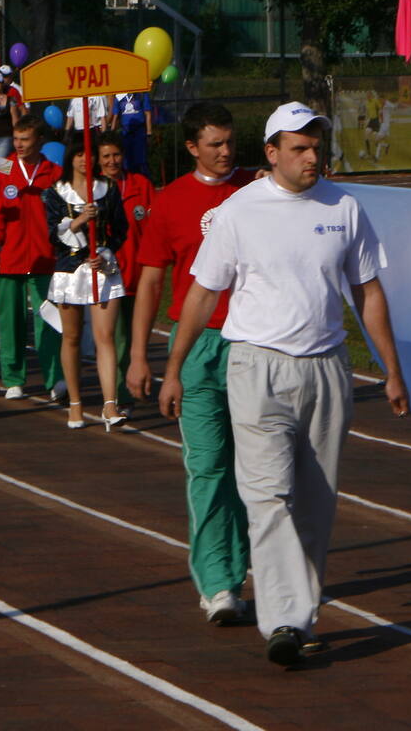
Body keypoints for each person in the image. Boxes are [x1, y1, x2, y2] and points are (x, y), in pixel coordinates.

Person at [159, 101, 408, 667]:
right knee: (267, 496)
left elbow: (368, 293)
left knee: (315, 504)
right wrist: (173, 368)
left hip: (325, 368)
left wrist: (391, 369)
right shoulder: (238, 211)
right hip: (255, 366)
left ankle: (300, 612)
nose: (311, 156)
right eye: (299, 147)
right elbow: (201, 294)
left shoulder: (344, 207)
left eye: (316, 145)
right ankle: (284, 623)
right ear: (272, 153)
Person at [128, 102, 254, 626]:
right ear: (192, 147)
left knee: (255, 471)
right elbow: (152, 281)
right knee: (208, 468)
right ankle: (218, 583)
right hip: (196, 345)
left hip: (253, 343)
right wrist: (141, 356)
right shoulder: (171, 201)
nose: (226, 153)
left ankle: (246, 565)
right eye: (215, 144)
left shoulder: (258, 190)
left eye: (230, 143)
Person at [43, 137, 128, 429]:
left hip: (103, 269)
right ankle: (75, 405)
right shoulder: (55, 192)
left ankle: (110, 404)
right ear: (70, 158)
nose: (84, 160)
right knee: (72, 337)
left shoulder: (108, 189)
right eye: (78, 154)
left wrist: (105, 254)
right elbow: (53, 235)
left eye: (88, 154)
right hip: (69, 271)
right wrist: (79, 221)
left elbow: (120, 228)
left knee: (105, 337)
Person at [0, 114, 61, 400]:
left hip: (44, 257)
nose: (19, 145)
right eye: (16, 139)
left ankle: (55, 379)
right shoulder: (2, 170)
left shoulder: (54, 172)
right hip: (11, 256)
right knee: (10, 322)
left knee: (49, 322)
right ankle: (13, 378)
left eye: (25, 139)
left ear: (40, 140)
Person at [98, 133, 154, 411]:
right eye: (106, 156)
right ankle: (118, 395)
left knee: (136, 336)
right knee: (116, 338)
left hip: (139, 274)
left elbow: (154, 228)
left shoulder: (141, 186)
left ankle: (130, 387)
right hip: (110, 276)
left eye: (116, 155)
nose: (112, 161)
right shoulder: (94, 190)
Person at [110, 90, 154, 176]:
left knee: (141, 159)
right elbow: (115, 115)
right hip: (125, 132)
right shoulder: (119, 96)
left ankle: (143, 181)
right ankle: (129, 182)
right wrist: (111, 133)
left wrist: (149, 133)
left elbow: (148, 113)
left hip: (139, 131)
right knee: (126, 160)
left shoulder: (141, 93)